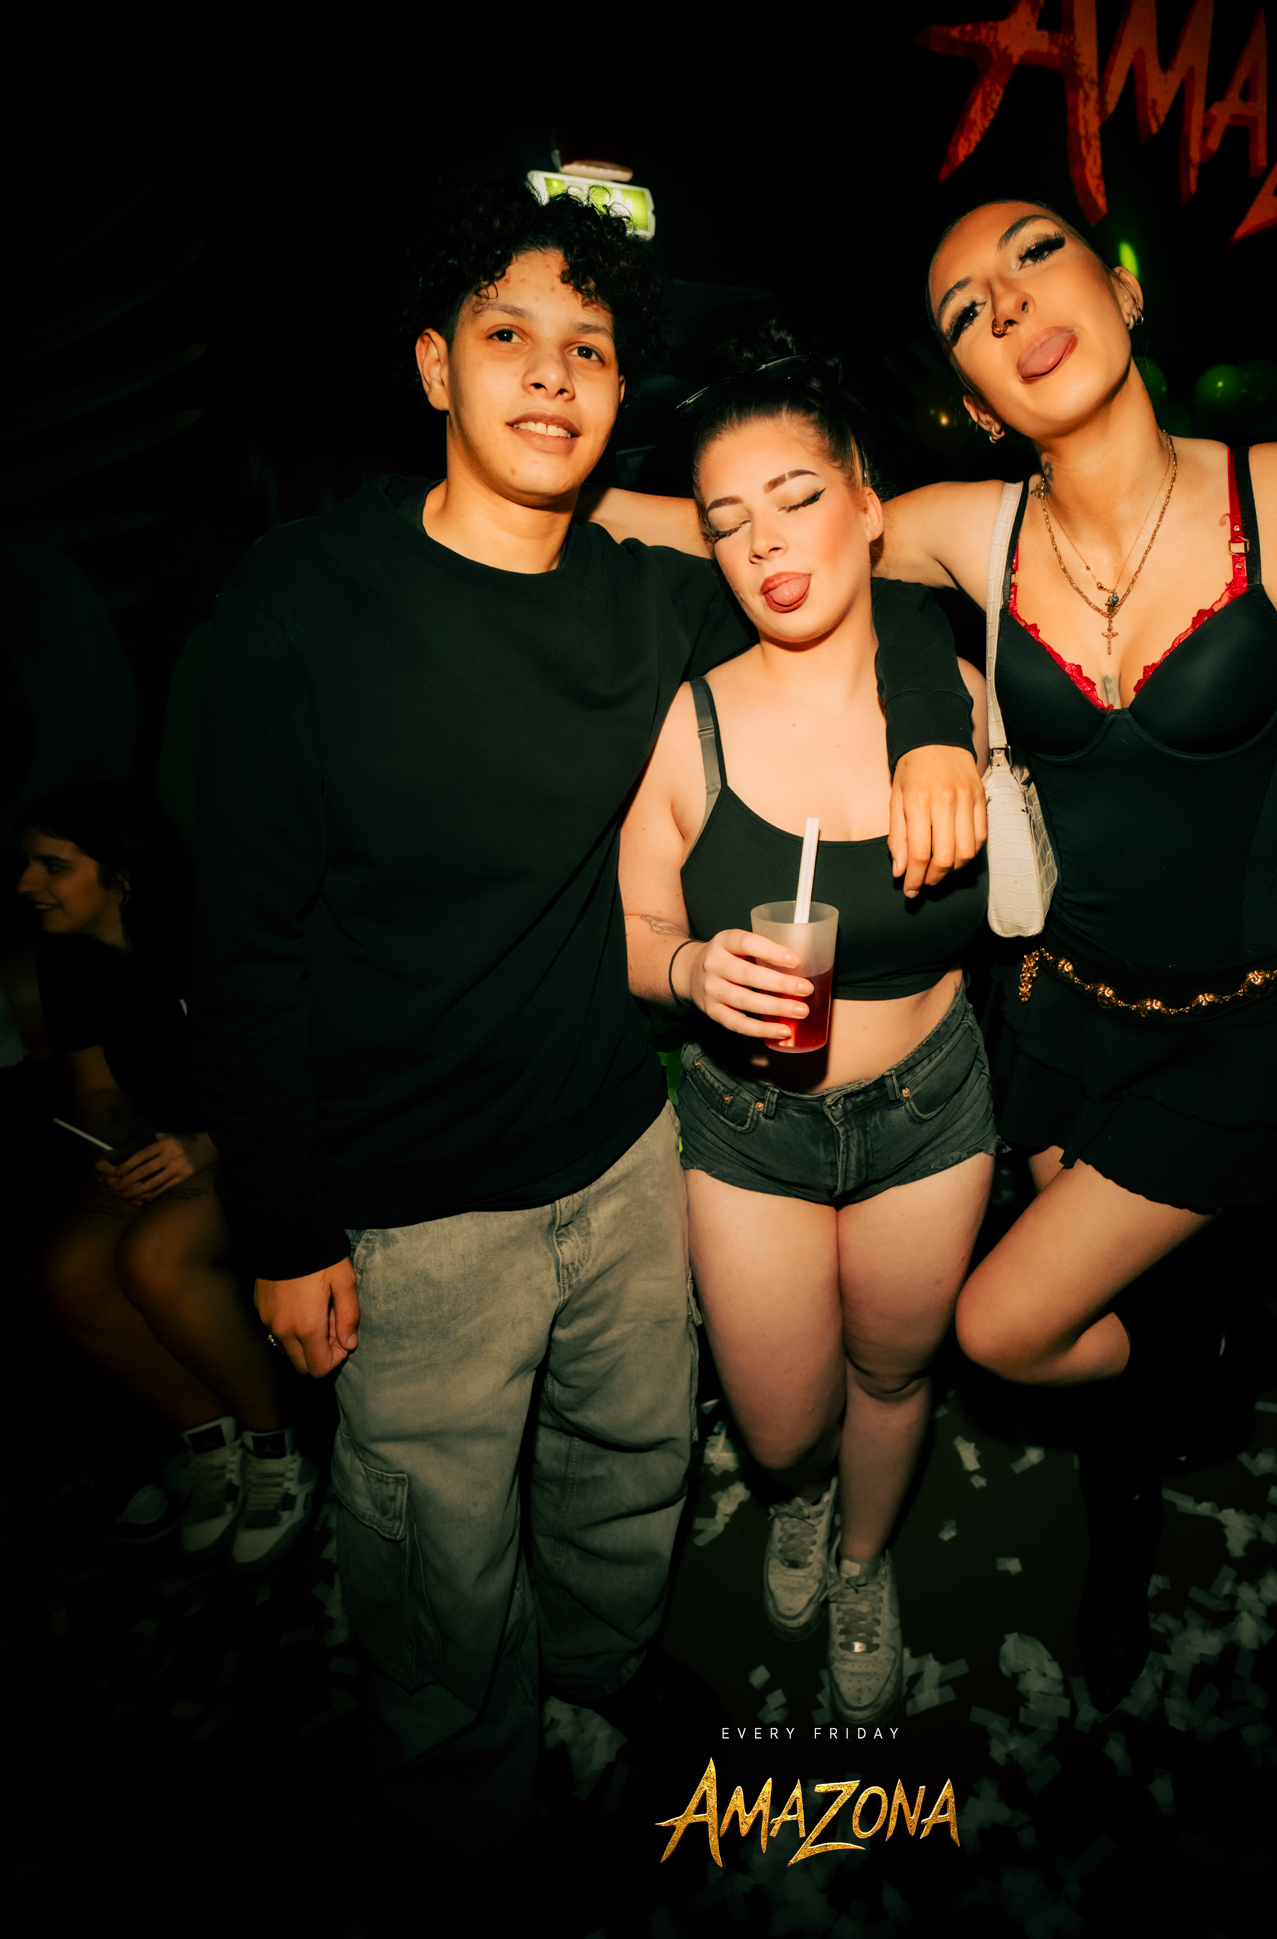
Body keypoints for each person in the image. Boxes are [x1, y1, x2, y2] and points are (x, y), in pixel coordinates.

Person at [190, 172, 985, 1844]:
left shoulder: (648, 602)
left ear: (621, 395)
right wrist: (282, 1226)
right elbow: (241, 942)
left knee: (629, 1473)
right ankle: (471, 1806)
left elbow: (869, 598)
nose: (552, 373)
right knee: (435, 1554)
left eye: (591, 347)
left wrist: (929, 725)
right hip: (412, 1204)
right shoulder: (298, 605)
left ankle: (604, 1667)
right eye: (509, 335)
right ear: (434, 365)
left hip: (624, 1154)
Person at [593, 196, 1277, 1701]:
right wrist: (527, 490)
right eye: (962, 310)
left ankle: (1154, 1438)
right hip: (1063, 1010)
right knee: (1109, 1304)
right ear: (976, 398)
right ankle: (1141, 1457)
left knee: (1005, 1323)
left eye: (1036, 256)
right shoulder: (973, 527)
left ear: (1126, 296)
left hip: (1239, 1019)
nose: (1003, 304)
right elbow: (775, 528)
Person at [618, 341, 994, 1725]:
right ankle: (801, 1499)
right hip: (748, 1125)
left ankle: (863, 1559)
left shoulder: (957, 698)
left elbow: (1059, 873)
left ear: (871, 506)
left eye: (797, 499)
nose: (766, 545)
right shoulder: (694, 721)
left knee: (894, 1373)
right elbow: (632, 924)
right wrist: (689, 967)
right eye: (729, 523)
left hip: (929, 1108)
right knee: (781, 1426)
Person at [24, 784, 314, 1569]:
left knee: (154, 1255)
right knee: (70, 1269)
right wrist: (111, 1142)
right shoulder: (65, 958)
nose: (27, 884)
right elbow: (96, 1088)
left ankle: (278, 1447)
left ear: (119, 873)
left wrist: (205, 1143)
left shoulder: (210, 934)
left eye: (53, 865)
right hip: (166, 1140)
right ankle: (211, 1440)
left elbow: (296, 1063)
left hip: (258, 1134)